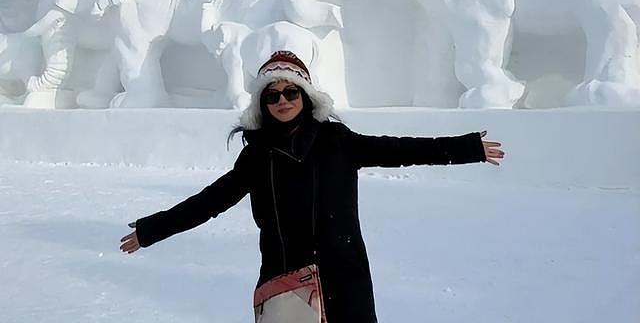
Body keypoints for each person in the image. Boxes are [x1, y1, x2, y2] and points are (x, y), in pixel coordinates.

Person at [120, 50, 505, 322]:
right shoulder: (257, 157)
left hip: (345, 277)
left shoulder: (337, 141)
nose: (282, 100)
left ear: (305, 95)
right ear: (262, 103)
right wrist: (151, 229)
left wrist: (466, 147)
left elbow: (399, 149)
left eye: (290, 91)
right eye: (272, 94)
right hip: (287, 281)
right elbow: (209, 202)